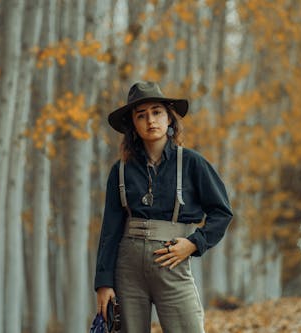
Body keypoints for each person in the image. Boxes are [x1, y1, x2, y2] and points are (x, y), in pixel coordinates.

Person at [94, 81, 233, 333]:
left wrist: (193, 243)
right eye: (141, 115)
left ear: (169, 118)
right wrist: (103, 283)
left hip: (172, 261)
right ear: (133, 126)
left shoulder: (192, 163)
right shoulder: (120, 170)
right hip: (127, 269)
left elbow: (222, 212)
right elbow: (110, 229)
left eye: (157, 112)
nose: (150, 120)